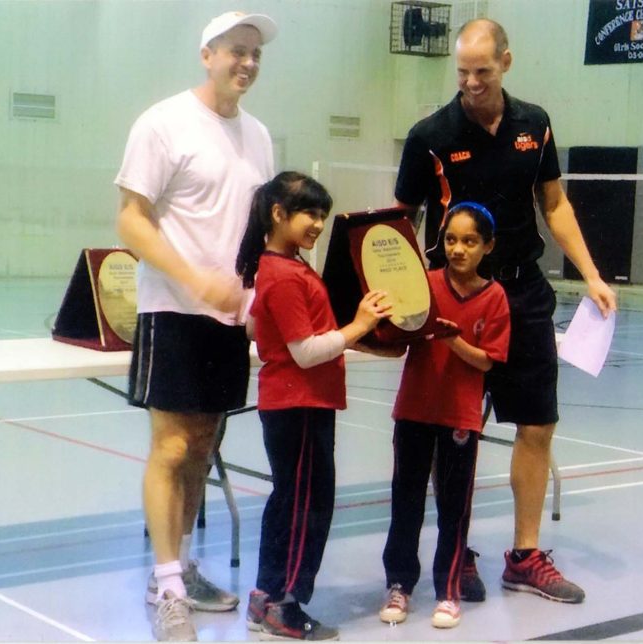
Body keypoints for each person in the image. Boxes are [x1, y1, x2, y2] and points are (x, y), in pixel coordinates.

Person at [393, 18, 618, 604]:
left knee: (536, 424)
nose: (470, 83)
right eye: (462, 72)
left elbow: (555, 203)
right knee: (453, 431)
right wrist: (409, 296)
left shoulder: (534, 124)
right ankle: (455, 549)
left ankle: (524, 555)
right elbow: (398, 223)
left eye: (482, 71)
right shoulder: (430, 135)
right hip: (458, 299)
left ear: (507, 63)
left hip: (524, 295)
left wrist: (591, 273)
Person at [114, 10, 278, 642]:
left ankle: (176, 570)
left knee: (204, 447)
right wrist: (194, 278)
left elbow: (257, 229)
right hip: (172, 312)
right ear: (207, 54)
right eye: (237, 51)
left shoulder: (258, 136)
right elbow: (131, 220)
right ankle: (169, 587)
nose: (248, 63)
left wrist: (257, 295)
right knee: (173, 447)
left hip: (230, 319)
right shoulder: (163, 123)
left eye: (256, 54)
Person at [236, 172, 392, 641]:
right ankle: (285, 604)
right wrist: (360, 326)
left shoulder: (285, 266)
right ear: (278, 214)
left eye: (323, 215)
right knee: (307, 505)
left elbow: (255, 330)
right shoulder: (283, 273)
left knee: (289, 500)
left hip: (298, 404)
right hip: (298, 405)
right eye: (309, 213)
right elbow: (304, 352)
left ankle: (266, 597)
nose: (318, 224)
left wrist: (358, 335)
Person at [378, 202, 510, 629]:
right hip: (414, 411)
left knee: (454, 508)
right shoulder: (425, 285)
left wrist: (452, 340)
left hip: (460, 418)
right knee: (406, 502)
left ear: (487, 246)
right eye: (451, 240)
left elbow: (487, 362)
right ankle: (399, 584)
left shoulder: (494, 298)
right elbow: (399, 334)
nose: (458, 249)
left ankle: (449, 589)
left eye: (470, 241)